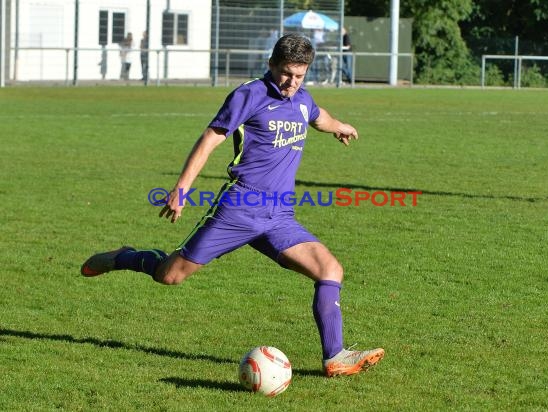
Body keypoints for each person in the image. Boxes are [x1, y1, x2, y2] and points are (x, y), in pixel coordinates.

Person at [81, 33, 384, 377]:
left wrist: (338, 127)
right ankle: (124, 257)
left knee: (330, 270)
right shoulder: (249, 94)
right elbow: (210, 138)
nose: (291, 82)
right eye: (286, 73)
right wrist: (181, 189)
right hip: (239, 209)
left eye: (299, 76)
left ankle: (334, 357)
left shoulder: (302, 98)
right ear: (272, 65)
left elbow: (317, 116)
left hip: (279, 216)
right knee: (170, 276)